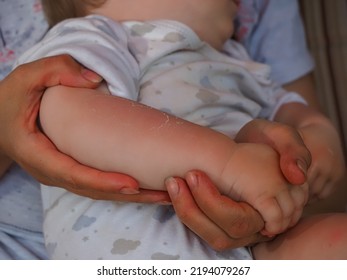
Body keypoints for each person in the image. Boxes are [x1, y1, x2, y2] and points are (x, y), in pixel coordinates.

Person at [13, 0, 346, 259]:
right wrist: (227, 164)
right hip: (133, 253)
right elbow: (68, 116)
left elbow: (300, 114)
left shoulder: (240, 61)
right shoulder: (98, 36)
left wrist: (316, 141)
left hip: (255, 247)